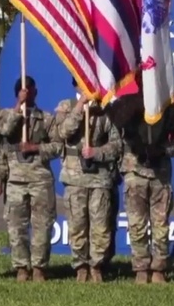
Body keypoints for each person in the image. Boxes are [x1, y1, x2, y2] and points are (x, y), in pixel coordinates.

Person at [52, 78, 123, 282]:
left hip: (100, 178)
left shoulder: (105, 109)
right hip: (75, 178)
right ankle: (80, 266)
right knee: (77, 224)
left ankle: (97, 265)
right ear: (76, 85)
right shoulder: (67, 107)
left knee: (101, 225)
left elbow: (116, 144)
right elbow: (64, 132)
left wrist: (97, 152)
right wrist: (80, 105)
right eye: (83, 85)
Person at [116, 92, 174, 284]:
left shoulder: (169, 108)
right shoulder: (126, 105)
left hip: (160, 174)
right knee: (137, 224)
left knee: (161, 225)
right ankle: (141, 268)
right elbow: (117, 134)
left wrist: (163, 150)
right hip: (135, 172)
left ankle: (159, 269)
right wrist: (136, 147)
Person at [0, 76, 61, 282]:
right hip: (15, 179)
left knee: (42, 224)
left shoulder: (47, 118)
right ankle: (22, 267)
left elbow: (57, 147)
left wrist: (36, 148)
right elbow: (5, 131)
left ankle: (39, 267)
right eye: (25, 91)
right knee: (16, 225)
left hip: (40, 178)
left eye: (32, 90)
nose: (30, 94)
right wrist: (18, 107)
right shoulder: (7, 114)